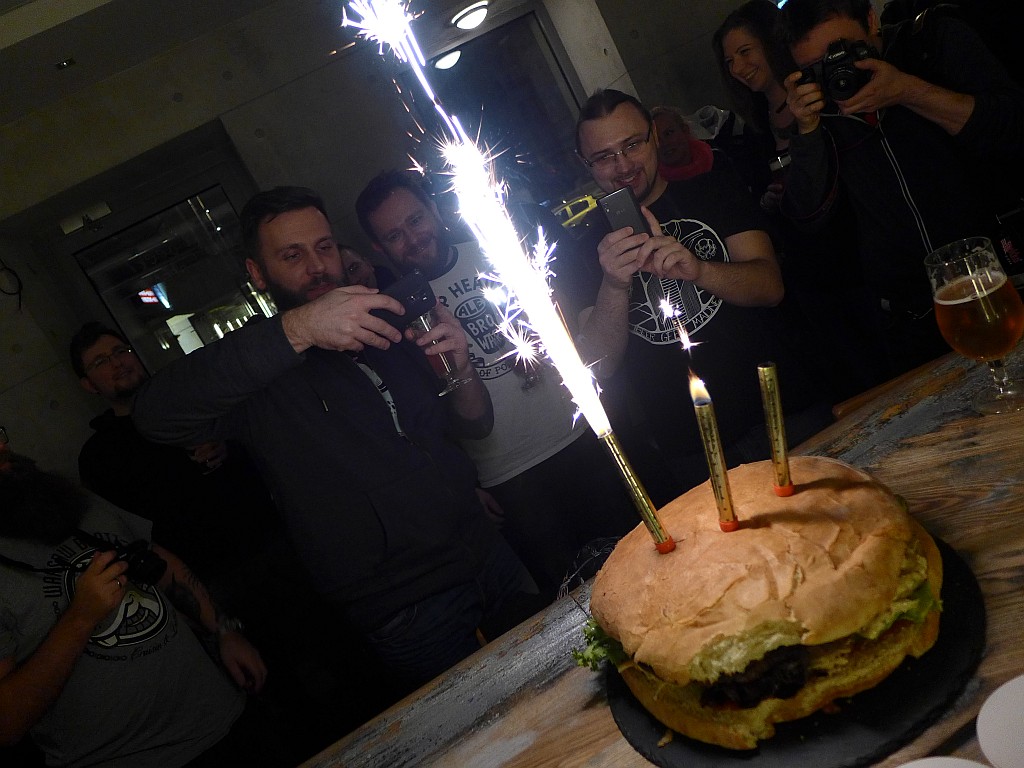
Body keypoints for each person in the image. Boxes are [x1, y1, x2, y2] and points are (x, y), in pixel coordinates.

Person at [132, 186, 538, 697]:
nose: (317, 266)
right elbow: (154, 417)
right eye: (292, 255)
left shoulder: (383, 320)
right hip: (407, 605)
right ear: (258, 273)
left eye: (323, 247)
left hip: (487, 552)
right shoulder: (254, 370)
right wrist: (300, 329)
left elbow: (474, 426)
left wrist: (461, 369)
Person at [354, 170, 638, 601]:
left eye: (416, 220)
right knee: (572, 603)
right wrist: (467, 487)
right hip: (508, 477)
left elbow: (571, 327)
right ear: (379, 247)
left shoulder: (497, 251)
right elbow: (425, 419)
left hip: (581, 434)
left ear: (434, 210)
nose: (412, 239)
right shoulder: (396, 313)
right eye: (394, 235)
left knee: (636, 559)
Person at [566, 89, 832, 497]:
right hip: (694, 450)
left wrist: (700, 270)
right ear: (585, 163)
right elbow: (598, 365)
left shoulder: (714, 188)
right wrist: (615, 284)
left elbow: (770, 286)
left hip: (784, 410)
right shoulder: (585, 249)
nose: (623, 165)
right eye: (603, 157)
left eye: (632, 145)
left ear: (654, 135)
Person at [0, 443, 289, 767]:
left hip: (222, 717)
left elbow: (155, 559)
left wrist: (223, 629)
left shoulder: (61, 497)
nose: (1, 446)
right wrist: (80, 617)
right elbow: (7, 724)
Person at [779, 0, 1024, 373]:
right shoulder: (819, 105)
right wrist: (807, 131)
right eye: (816, 66)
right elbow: (808, 216)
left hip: (1002, 280)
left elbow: (1013, 129)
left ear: (871, 21)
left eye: (842, 49)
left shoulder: (931, 43)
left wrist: (908, 90)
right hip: (912, 321)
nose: (836, 68)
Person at [712, 0, 889, 401]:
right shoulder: (753, 125)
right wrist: (770, 200)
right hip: (807, 275)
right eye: (729, 61)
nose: (738, 67)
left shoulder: (828, 92)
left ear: (771, 44)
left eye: (745, 52)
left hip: (858, 257)